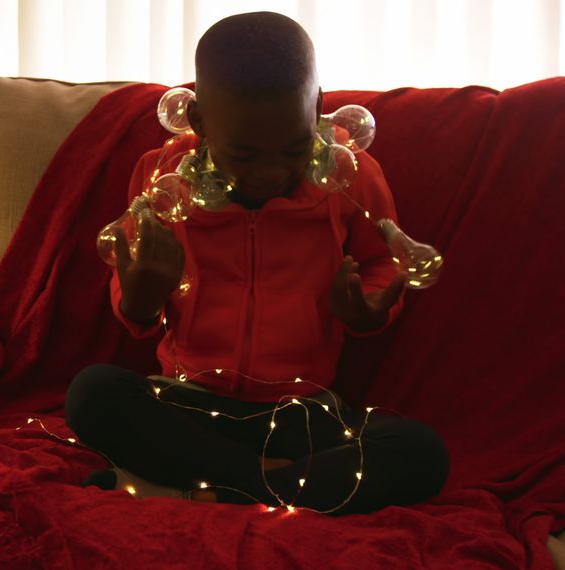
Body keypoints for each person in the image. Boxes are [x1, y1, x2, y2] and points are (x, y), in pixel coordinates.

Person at [64, 12, 449, 515]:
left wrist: (368, 314)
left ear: (317, 107)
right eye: (243, 156)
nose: (270, 173)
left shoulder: (351, 178)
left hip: (302, 417)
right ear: (199, 123)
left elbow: (381, 264)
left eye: (294, 149)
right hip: (188, 405)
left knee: (422, 453)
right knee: (92, 394)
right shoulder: (160, 176)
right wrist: (140, 298)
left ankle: (205, 486)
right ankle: (271, 489)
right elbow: (132, 296)